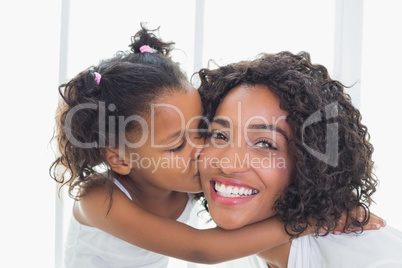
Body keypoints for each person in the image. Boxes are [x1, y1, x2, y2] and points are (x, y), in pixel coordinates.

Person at [50, 25, 384, 268]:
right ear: (120, 159)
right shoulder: (98, 199)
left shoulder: (183, 180)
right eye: (177, 145)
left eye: (205, 131)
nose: (204, 151)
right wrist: (314, 219)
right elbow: (202, 250)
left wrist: (331, 201)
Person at [197, 51, 402, 267]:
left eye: (265, 144)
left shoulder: (371, 261)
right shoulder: (247, 251)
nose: (228, 165)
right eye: (219, 135)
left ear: (310, 166)